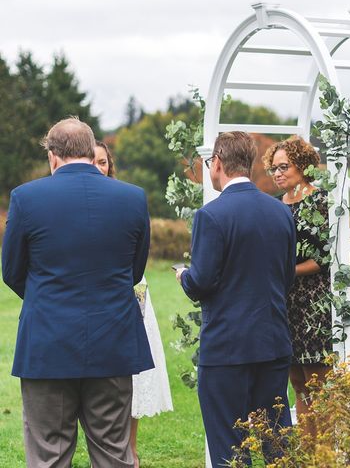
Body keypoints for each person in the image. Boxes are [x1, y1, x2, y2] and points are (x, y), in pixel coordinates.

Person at [1, 117, 153, 467]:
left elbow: (11, 272)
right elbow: (135, 270)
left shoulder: (25, 198)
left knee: (48, 455)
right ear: (90, 150)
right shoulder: (132, 198)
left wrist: (47, 297)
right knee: (114, 452)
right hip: (113, 340)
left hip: (48, 343)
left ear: (52, 156)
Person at [175, 131, 296, 466]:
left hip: (227, 349)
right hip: (272, 344)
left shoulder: (212, 215)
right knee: (277, 443)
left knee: (231, 448)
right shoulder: (280, 212)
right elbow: (286, 277)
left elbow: (200, 283)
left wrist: (184, 276)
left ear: (217, 163)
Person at [94, 141, 173, 468]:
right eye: (92, 161)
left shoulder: (125, 199)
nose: (98, 167)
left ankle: (131, 450)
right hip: (95, 294)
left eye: (103, 162)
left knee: (134, 377)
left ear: (110, 165)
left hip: (132, 290)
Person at [262, 136, 332, 437]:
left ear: (302, 165)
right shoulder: (276, 206)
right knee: (297, 383)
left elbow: (325, 257)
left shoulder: (319, 201)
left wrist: (288, 271)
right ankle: (307, 451)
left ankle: (325, 452)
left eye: (284, 167)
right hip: (284, 302)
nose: (277, 173)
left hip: (313, 300)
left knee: (318, 382)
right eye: (273, 168)